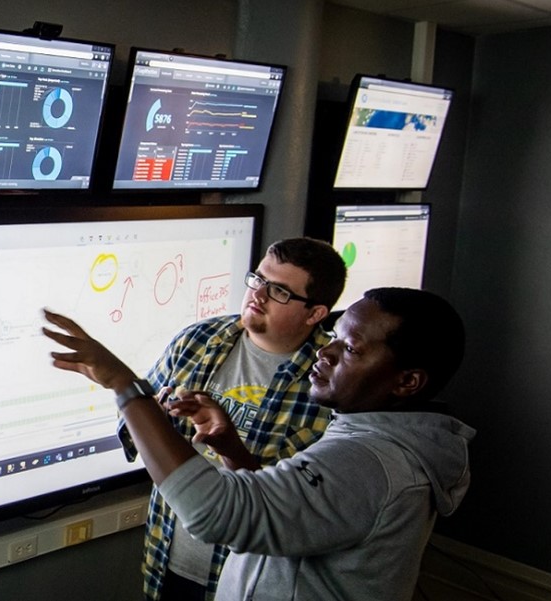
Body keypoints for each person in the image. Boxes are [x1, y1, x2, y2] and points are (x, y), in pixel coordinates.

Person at [45, 287, 473, 600]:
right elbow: (292, 520)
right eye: (335, 336)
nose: (327, 352)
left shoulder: (369, 463)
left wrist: (123, 384)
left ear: (407, 382)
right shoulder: (371, 440)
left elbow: (215, 513)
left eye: (352, 349)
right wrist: (235, 454)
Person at [51, 237, 347, 599]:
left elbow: (294, 512)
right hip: (168, 561)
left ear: (315, 313)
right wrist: (152, 414)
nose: (259, 295)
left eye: (280, 292)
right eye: (258, 280)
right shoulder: (198, 340)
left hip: (250, 580)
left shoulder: (333, 383)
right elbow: (133, 430)